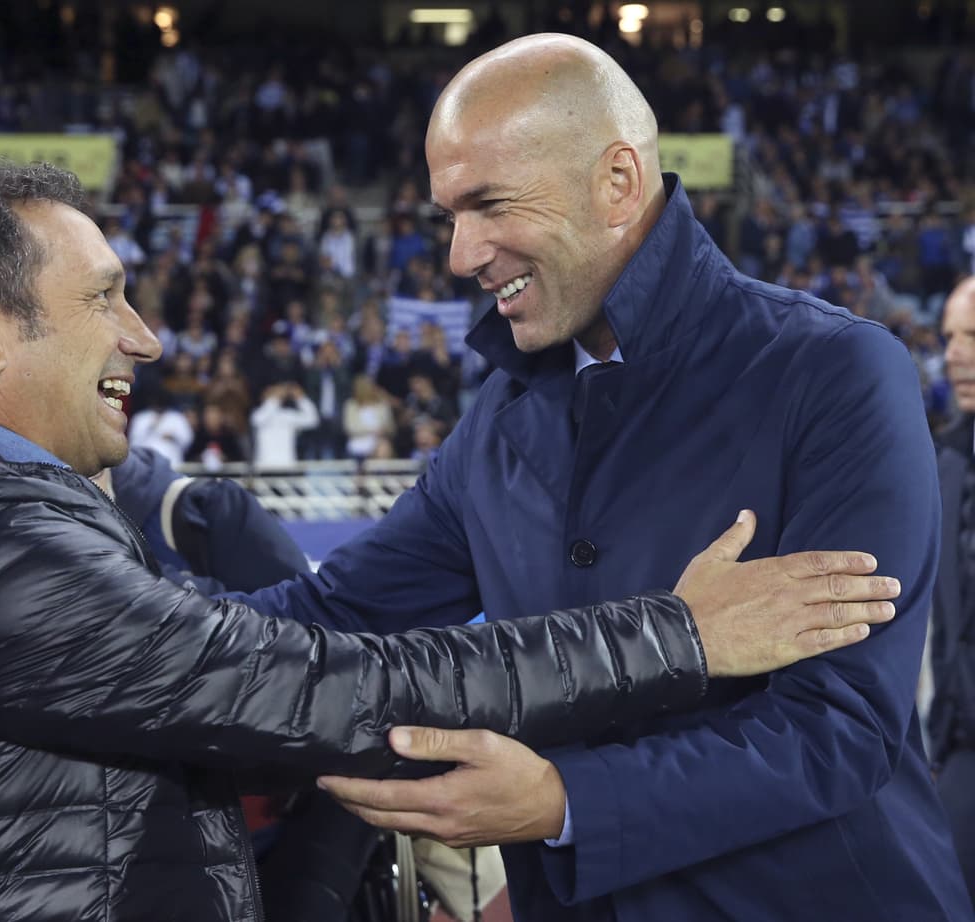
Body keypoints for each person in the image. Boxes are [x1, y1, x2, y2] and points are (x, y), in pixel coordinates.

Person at [0, 161, 895, 922]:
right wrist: (678, 632)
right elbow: (328, 682)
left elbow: (250, 695)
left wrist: (339, 833)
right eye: (104, 298)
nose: (142, 334)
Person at [239, 34, 971, 921]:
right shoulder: (501, 424)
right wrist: (114, 617)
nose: (459, 255)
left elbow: (840, 730)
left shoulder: (835, 372)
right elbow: (337, 613)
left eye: (491, 204)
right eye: (448, 216)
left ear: (618, 182)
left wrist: (561, 804)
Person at [932, 275, 975, 900]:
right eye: (948, 338)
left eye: (972, 337)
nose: (955, 353)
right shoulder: (941, 461)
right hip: (962, 742)